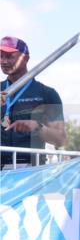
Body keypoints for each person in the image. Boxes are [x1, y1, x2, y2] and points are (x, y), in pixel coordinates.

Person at [0, 36, 66, 168]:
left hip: (30, 170)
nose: (4, 61)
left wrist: (37, 127)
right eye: (1, 56)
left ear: (25, 58)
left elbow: (60, 140)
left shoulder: (46, 94)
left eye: (9, 56)